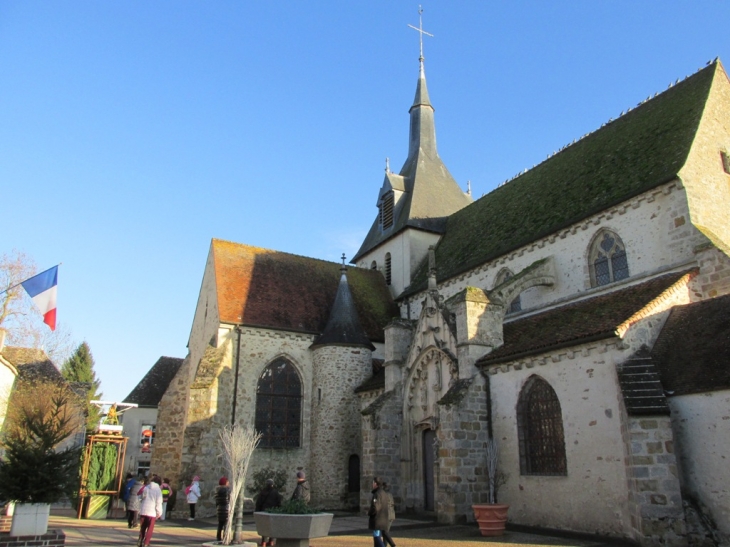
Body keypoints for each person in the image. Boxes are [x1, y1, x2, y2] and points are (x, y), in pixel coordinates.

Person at [255, 478, 282, 547]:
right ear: (272, 485)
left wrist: (257, 511)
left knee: (264, 527)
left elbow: (259, 502)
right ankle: (271, 541)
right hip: (272, 512)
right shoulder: (275, 492)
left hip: (264, 511)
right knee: (272, 527)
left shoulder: (263, 492)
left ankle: (263, 542)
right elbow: (279, 502)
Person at [138, 475, 163, 547]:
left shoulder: (146, 488)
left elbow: (141, 497)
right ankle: (146, 542)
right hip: (152, 512)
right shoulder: (158, 490)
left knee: (143, 527)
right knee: (150, 529)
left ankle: (140, 539)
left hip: (143, 510)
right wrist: (159, 513)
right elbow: (159, 502)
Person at [368, 477, 389, 547]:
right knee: (377, 537)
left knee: (377, 537)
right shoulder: (384, 493)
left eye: (373, 483)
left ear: (376, 484)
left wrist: (370, 512)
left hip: (378, 519)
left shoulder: (377, 494)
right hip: (383, 518)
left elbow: (375, 507)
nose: (372, 484)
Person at [214, 477, 231, 543]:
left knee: (220, 524)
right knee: (226, 524)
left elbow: (217, 501)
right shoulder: (227, 491)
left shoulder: (217, 491)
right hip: (226, 508)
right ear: (225, 483)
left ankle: (218, 537)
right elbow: (229, 500)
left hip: (219, 509)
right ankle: (225, 537)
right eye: (227, 482)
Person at [381, 481, 396, 547]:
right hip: (391, 515)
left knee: (384, 532)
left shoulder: (383, 494)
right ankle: (384, 545)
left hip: (387, 515)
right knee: (385, 531)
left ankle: (393, 545)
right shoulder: (389, 494)